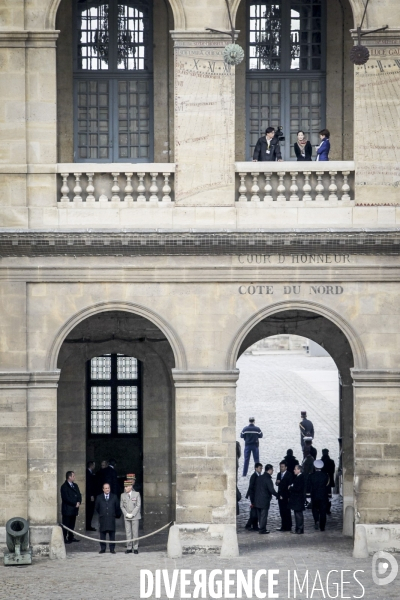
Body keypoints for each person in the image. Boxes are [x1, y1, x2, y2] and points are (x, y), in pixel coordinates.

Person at [95, 483, 121, 554]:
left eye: (108, 488)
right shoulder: (99, 497)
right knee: (102, 534)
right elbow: (97, 508)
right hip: (103, 518)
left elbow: (117, 507)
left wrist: (115, 514)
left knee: (112, 534)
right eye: (106, 488)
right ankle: (103, 548)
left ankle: (112, 549)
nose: (107, 489)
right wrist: (102, 513)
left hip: (111, 518)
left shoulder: (114, 497)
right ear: (103, 489)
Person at [254, 464, 278, 534]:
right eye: (272, 470)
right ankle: (262, 529)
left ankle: (261, 527)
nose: (273, 471)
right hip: (264, 500)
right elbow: (271, 490)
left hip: (257, 500)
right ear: (269, 470)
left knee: (259, 515)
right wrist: (278, 495)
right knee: (264, 516)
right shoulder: (268, 479)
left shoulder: (259, 477)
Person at [120, 478, 141, 554]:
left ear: (130, 487)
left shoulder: (137, 494)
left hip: (135, 516)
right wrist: (126, 514)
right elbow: (122, 506)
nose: (125, 488)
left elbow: (138, 505)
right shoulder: (122, 495)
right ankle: (129, 547)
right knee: (128, 532)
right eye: (125, 487)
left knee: (135, 532)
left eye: (127, 487)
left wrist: (132, 514)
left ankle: (135, 547)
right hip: (127, 516)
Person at [60, 471, 82, 544]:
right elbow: (66, 498)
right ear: (69, 477)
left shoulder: (75, 485)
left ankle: (70, 537)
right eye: (73, 476)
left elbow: (79, 494)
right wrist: (74, 503)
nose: (74, 477)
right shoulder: (64, 487)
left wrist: (79, 502)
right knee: (66, 525)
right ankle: (64, 538)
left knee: (72, 524)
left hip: (74, 509)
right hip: (67, 509)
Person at [308, 459, 330, 531]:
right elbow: (327, 484)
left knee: (314, 509)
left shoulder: (311, 476)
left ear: (315, 467)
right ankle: (322, 526)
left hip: (314, 495)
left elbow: (309, 485)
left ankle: (316, 520)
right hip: (323, 495)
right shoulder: (325, 475)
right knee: (323, 511)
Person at [275, 460, 294, 532]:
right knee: (281, 511)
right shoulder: (279, 474)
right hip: (280, 495)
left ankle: (288, 526)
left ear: (286, 467)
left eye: (282, 467)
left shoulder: (289, 474)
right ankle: (283, 526)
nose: (281, 468)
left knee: (287, 511)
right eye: (280, 467)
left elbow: (289, 485)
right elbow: (277, 484)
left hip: (286, 495)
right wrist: (277, 483)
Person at [245, 462, 263, 531]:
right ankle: (249, 524)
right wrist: (252, 499)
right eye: (260, 468)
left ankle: (254, 525)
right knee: (254, 512)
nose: (261, 469)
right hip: (254, 497)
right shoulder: (254, 476)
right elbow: (251, 488)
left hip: (257, 496)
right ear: (256, 468)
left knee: (256, 511)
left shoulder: (259, 475)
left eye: (261, 468)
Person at [289, 464, 305, 534]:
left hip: (298, 499)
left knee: (298, 514)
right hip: (297, 499)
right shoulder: (298, 477)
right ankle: (298, 528)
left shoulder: (300, 477)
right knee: (297, 514)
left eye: (295, 469)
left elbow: (298, 488)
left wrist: (291, 488)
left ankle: (299, 529)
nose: (294, 470)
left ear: (299, 470)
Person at [321, 448, 336, 514]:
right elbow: (333, 471)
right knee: (329, 495)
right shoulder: (331, 461)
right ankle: (328, 509)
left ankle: (322, 508)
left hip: (322, 481)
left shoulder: (321, 462)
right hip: (329, 481)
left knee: (322, 495)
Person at [86, 460, 96, 531]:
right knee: (89, 511)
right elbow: (89, 485)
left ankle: (88, 525)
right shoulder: (88, 473)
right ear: (91, 465)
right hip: (89, 495)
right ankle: (88, 525)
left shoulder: (90, 473)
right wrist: (91, 495)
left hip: (89, 495)